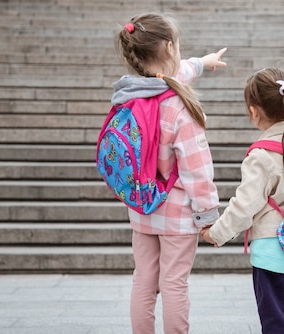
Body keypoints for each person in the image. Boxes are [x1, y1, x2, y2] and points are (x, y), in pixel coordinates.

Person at [113, 13, 227, 334]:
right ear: (168, 46)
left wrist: (202, 63)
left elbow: (172, 73)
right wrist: (208, 217)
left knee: (144, 281)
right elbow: (197, 168)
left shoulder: (129, 96)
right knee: (174, 284)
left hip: (142, 208)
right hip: (177, 216)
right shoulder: (179, 107)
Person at [200, 68, 284, 334]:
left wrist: (216, 233)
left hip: (271, 254)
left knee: (275, 322)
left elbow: (245, 205)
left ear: (254, 111)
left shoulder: (260, 155)